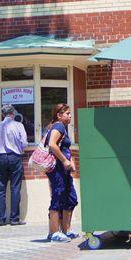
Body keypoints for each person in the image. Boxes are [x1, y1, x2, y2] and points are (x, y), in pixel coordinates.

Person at [44, 103, 78, 242]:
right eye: (67, 113)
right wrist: (64, 160)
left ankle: (65, 230)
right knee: (58, 198)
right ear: (59, 115)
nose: (70, 116)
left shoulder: (62, 128)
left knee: (70, 198)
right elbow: (52, 144)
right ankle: (53, 233)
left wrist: (70, 162)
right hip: (57, 169)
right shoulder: (58, 126)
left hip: (64, 171)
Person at [0, 104, 28, 225]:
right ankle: (14, 219)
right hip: (15, 157)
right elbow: (24, 143)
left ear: (2, 114)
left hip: (1, 157)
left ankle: (1, 219)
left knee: (1, 189)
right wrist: (19, 148)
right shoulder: (19, 125)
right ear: (13, 113)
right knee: (15, 187)